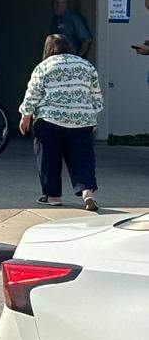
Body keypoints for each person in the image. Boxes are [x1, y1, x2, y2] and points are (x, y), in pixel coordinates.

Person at [19, 34, 103, 211]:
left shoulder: (44, 66)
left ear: (48, 49)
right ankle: (87, 191)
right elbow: (96, 95)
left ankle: (53, 196)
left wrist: (25, 115)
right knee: (83, 158)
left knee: (48, 157)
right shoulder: (86, 65)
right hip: (82, 120)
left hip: (50, 120)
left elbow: (33, 93)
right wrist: (92, 116)